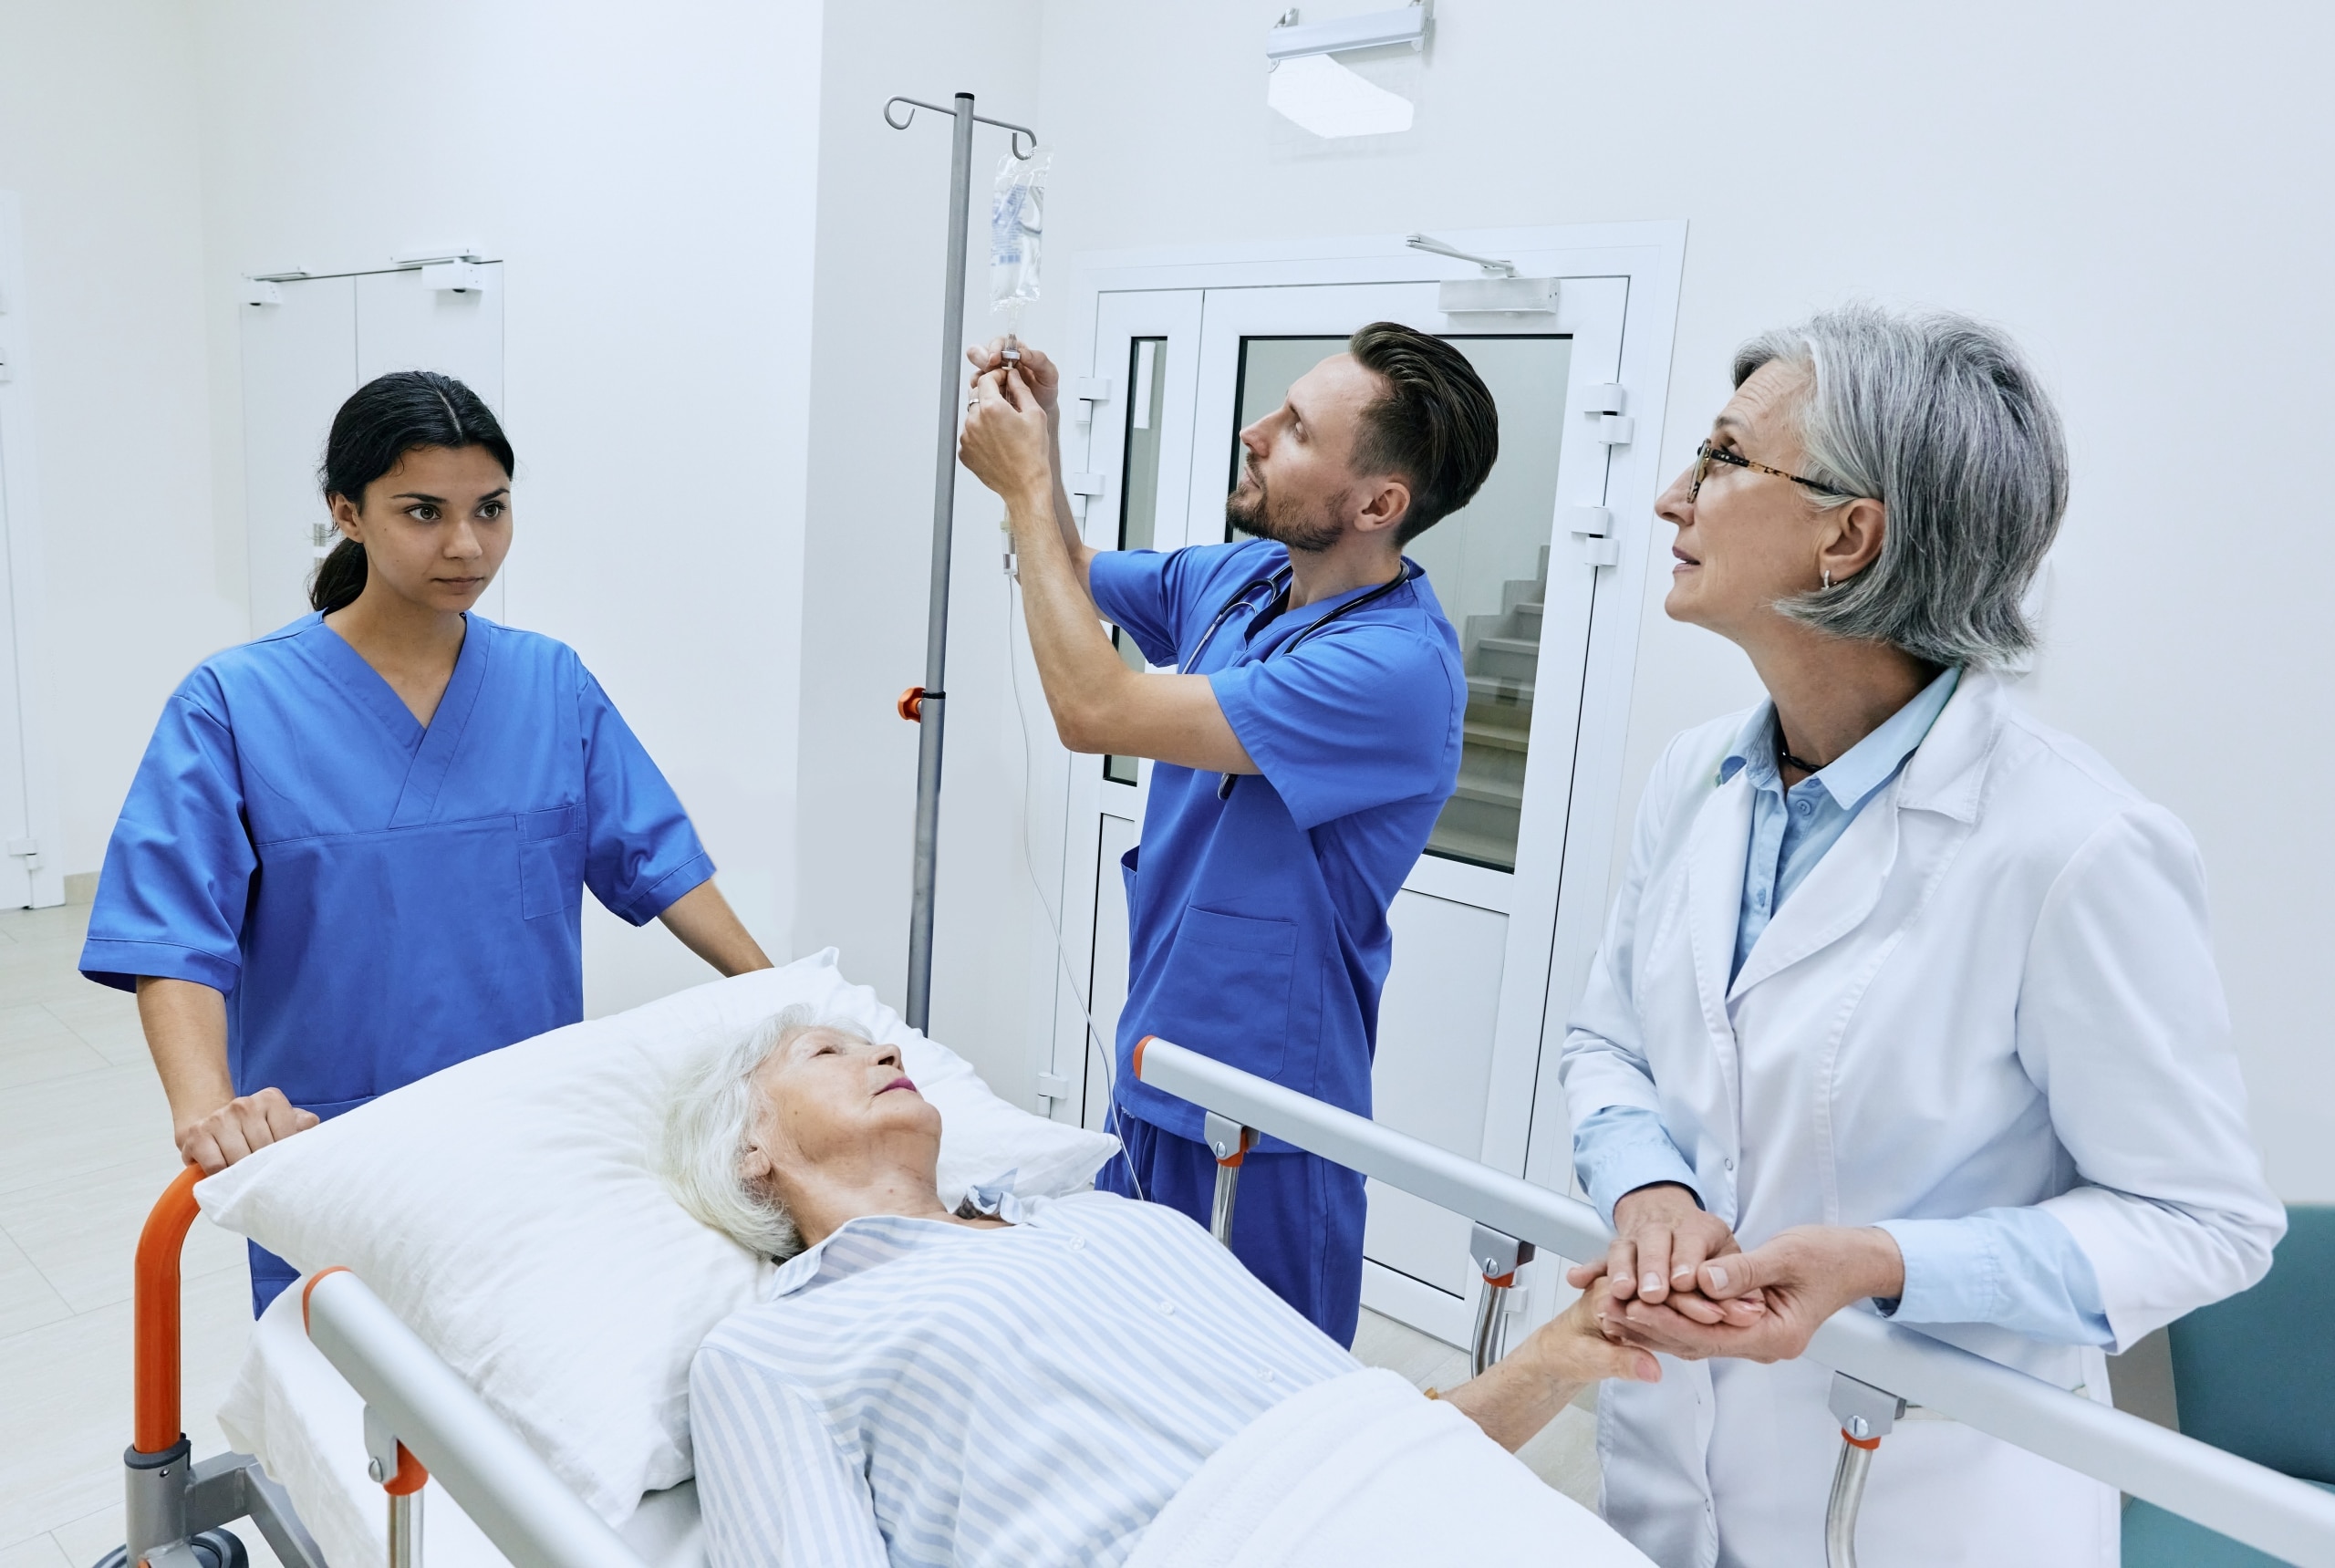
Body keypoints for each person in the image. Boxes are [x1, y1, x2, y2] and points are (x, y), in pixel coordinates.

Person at [1556, 306, 2285, 1567]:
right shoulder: (1696, 779)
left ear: (1851, 534)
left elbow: (2203, 1219)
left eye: (1724, 457)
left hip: (1927, 1503)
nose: (1675, 494)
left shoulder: (2075, 843)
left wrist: (1888, 1262)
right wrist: (1650, 1181)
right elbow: (1607, 1040)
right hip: (1676, 1466)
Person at [81, 370, 773, 1314]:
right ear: (347, 513)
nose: (466, 544)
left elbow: (654, 858)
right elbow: (170, 931)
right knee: (351, 1397)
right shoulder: (236, 703)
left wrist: (777, 997)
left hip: (528, 1123)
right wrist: (207, 1113)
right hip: (335, 1137)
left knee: (521, 1378)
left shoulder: (548, 683)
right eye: (423, 512)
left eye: (490, 509)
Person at [665, 1008, 1705, 1568]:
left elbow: (1359, 1436)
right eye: (827, 1050)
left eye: (873, 1036)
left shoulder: (1107, 1216)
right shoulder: (778, 1348)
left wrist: (1557, 1356)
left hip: (1462, 1507)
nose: (885, 1047)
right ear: (751, 1146)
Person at [955, 325, 1498, 1345]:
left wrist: (1026, 487)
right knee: (1131, 1376)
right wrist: (1041, 449)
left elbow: (1093, 711)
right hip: (1154, 1069)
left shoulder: (1393, 671)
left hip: (1267, 1119)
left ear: (1379, 505)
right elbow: (1063, 567)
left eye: (1294, 429)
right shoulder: (1240, 585)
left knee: (1261, 1416)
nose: (1255, 432)